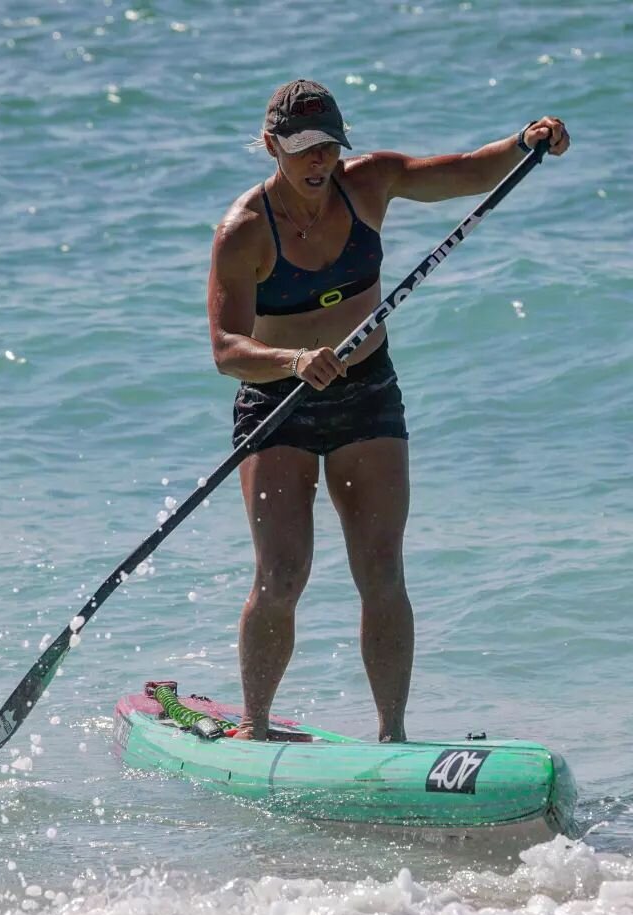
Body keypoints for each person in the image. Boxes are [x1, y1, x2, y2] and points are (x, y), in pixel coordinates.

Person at [208, 79, 569, 742]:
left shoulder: (369, 184)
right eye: (302, 149)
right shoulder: (243, 232)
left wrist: (524, 142)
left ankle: (393, 738)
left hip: (366, 392)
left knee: (381, 569)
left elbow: (465, 173)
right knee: (282, 573)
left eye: (328, 147)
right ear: (270, 147)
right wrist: (290, 361)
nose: (319, 161)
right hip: (277, 402)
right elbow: (227, 350)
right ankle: (254, 730)